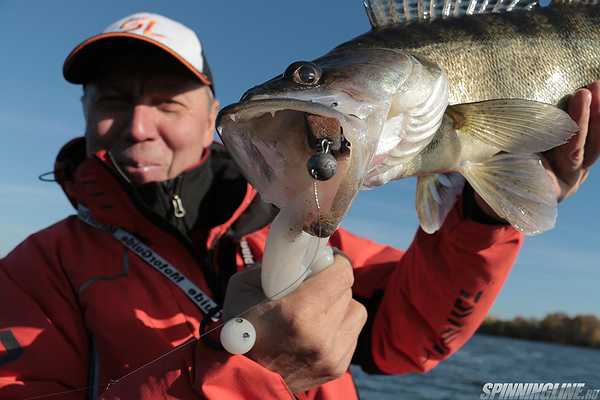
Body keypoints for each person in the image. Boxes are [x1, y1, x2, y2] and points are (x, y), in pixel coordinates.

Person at [0, 11, 597, 400]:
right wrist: (243, 373)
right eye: (112, 99)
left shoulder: (303, 224)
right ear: (84, 110)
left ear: (213, 116)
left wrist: (487, 213)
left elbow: (405, 341)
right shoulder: (30, 275)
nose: (137, 125)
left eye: (166, 102)